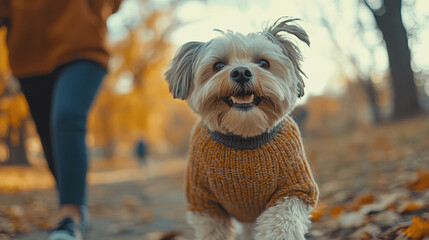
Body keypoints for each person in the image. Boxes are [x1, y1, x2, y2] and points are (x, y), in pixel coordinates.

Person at [0, 1, 122, 239]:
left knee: (67, 117)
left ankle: (70, 216)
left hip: (82, 45)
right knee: (48, 135)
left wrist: (95, 8)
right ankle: (74, 209)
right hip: (29, 55)